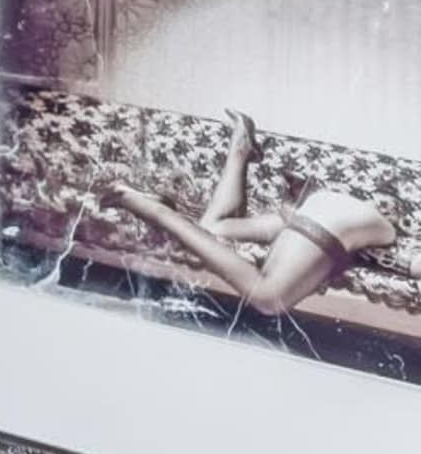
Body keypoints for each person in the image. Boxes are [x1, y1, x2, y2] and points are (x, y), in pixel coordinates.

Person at [110, 109, 402, 318]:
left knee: (214, 228)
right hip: (342, 220)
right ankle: (152, 209)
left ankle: (240, 149)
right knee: (268, 297)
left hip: (330, 211)